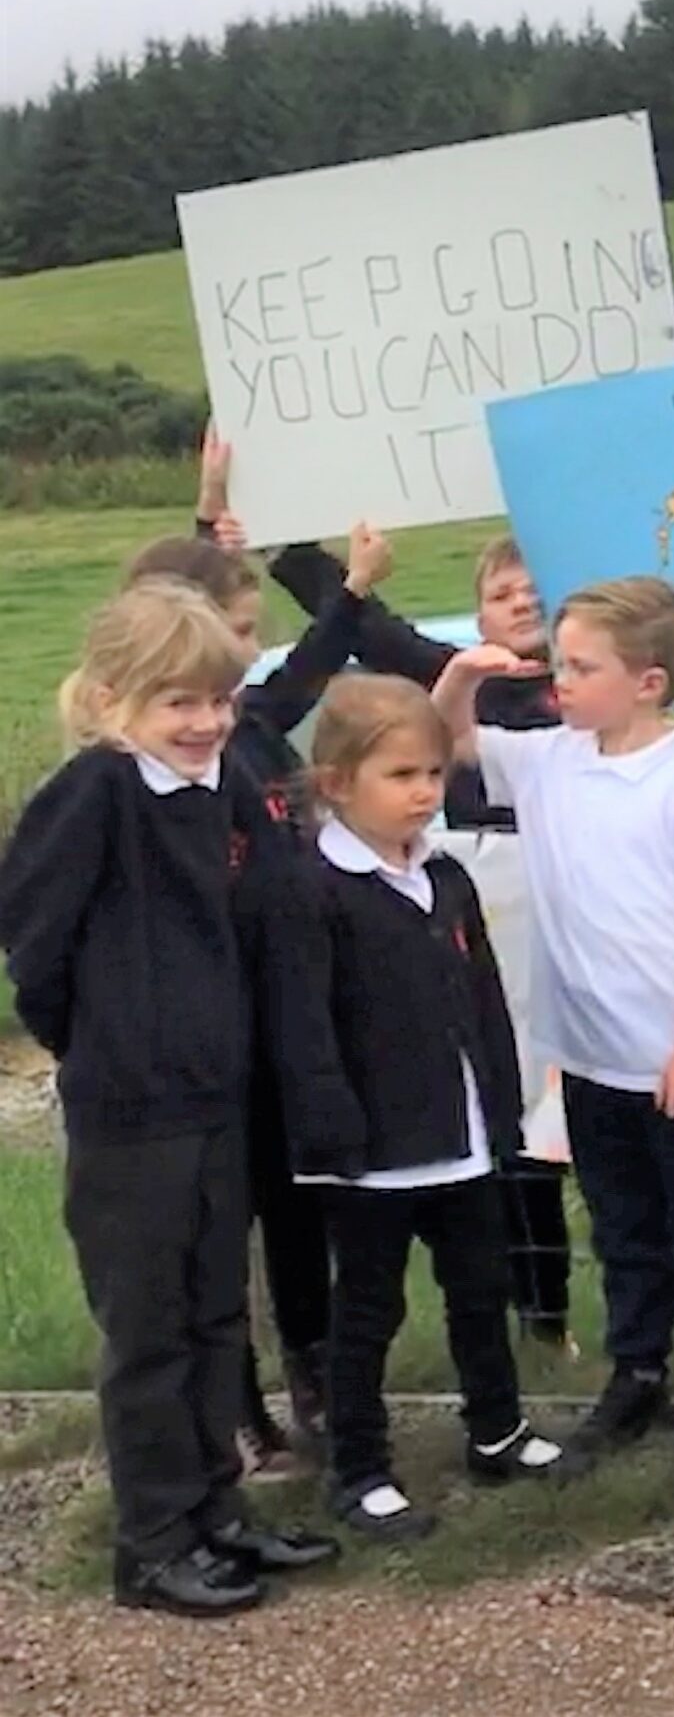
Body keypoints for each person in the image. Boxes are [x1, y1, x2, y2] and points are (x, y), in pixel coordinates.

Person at [0, 581, 338, 1617]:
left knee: (211, 1314)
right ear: (114, 701)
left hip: (214, 1096)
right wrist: (103, 1037)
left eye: (218, 701)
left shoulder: (223, 785)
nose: (204, 724)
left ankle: (216, 1512)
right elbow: (35, 938)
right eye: (177, 704)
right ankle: (152, 1543)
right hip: (130, 1112)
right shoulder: (94, 794)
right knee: (146, 1331)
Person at [249, 674, 589, 1541]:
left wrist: (504, 1103)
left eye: (433, 774)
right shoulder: (311, 890)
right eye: (401, 776)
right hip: (368, 1150)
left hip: (462, 1135)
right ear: (335, 784)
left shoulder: (444, 876)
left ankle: (497, 1428)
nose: (424, 794)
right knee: (368, 1308)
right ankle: (358, 1467)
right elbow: (303, 1025)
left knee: (482, 1285)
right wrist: (332, 1130)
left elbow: (483, 998)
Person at [434, 576, 674, 1453]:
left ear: (647, 683)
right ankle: (640, 1370)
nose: (560, 683)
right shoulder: (547, 760)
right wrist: (465, 672)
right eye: (561, 663)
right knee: (622, 1227)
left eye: (582, 667)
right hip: (589, 1057)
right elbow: (448, 740)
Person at [249, 492, 575, 1355]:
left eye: (537, 590)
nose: (523, 605)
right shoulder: (456, 677)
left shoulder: (587, 695)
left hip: (574, 921)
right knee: (508, 1112)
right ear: (477, 612)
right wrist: (288, 543)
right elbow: (369, 632)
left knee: (583, 1111)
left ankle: (635, 1312)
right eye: (506, 593)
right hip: (481, 914)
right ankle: (537, 1318)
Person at [132, 452, 398, 1472]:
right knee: (221, 1230)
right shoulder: (173, 761)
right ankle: (239, 1407)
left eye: (248, 637)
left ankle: (319, 1384)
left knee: (297, 1210)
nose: (248, 659)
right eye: (235, 635)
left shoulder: (250, 728)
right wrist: (203, 527)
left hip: (288, 1017)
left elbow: (295, 680)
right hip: (214, 1031)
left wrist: (356, 592)